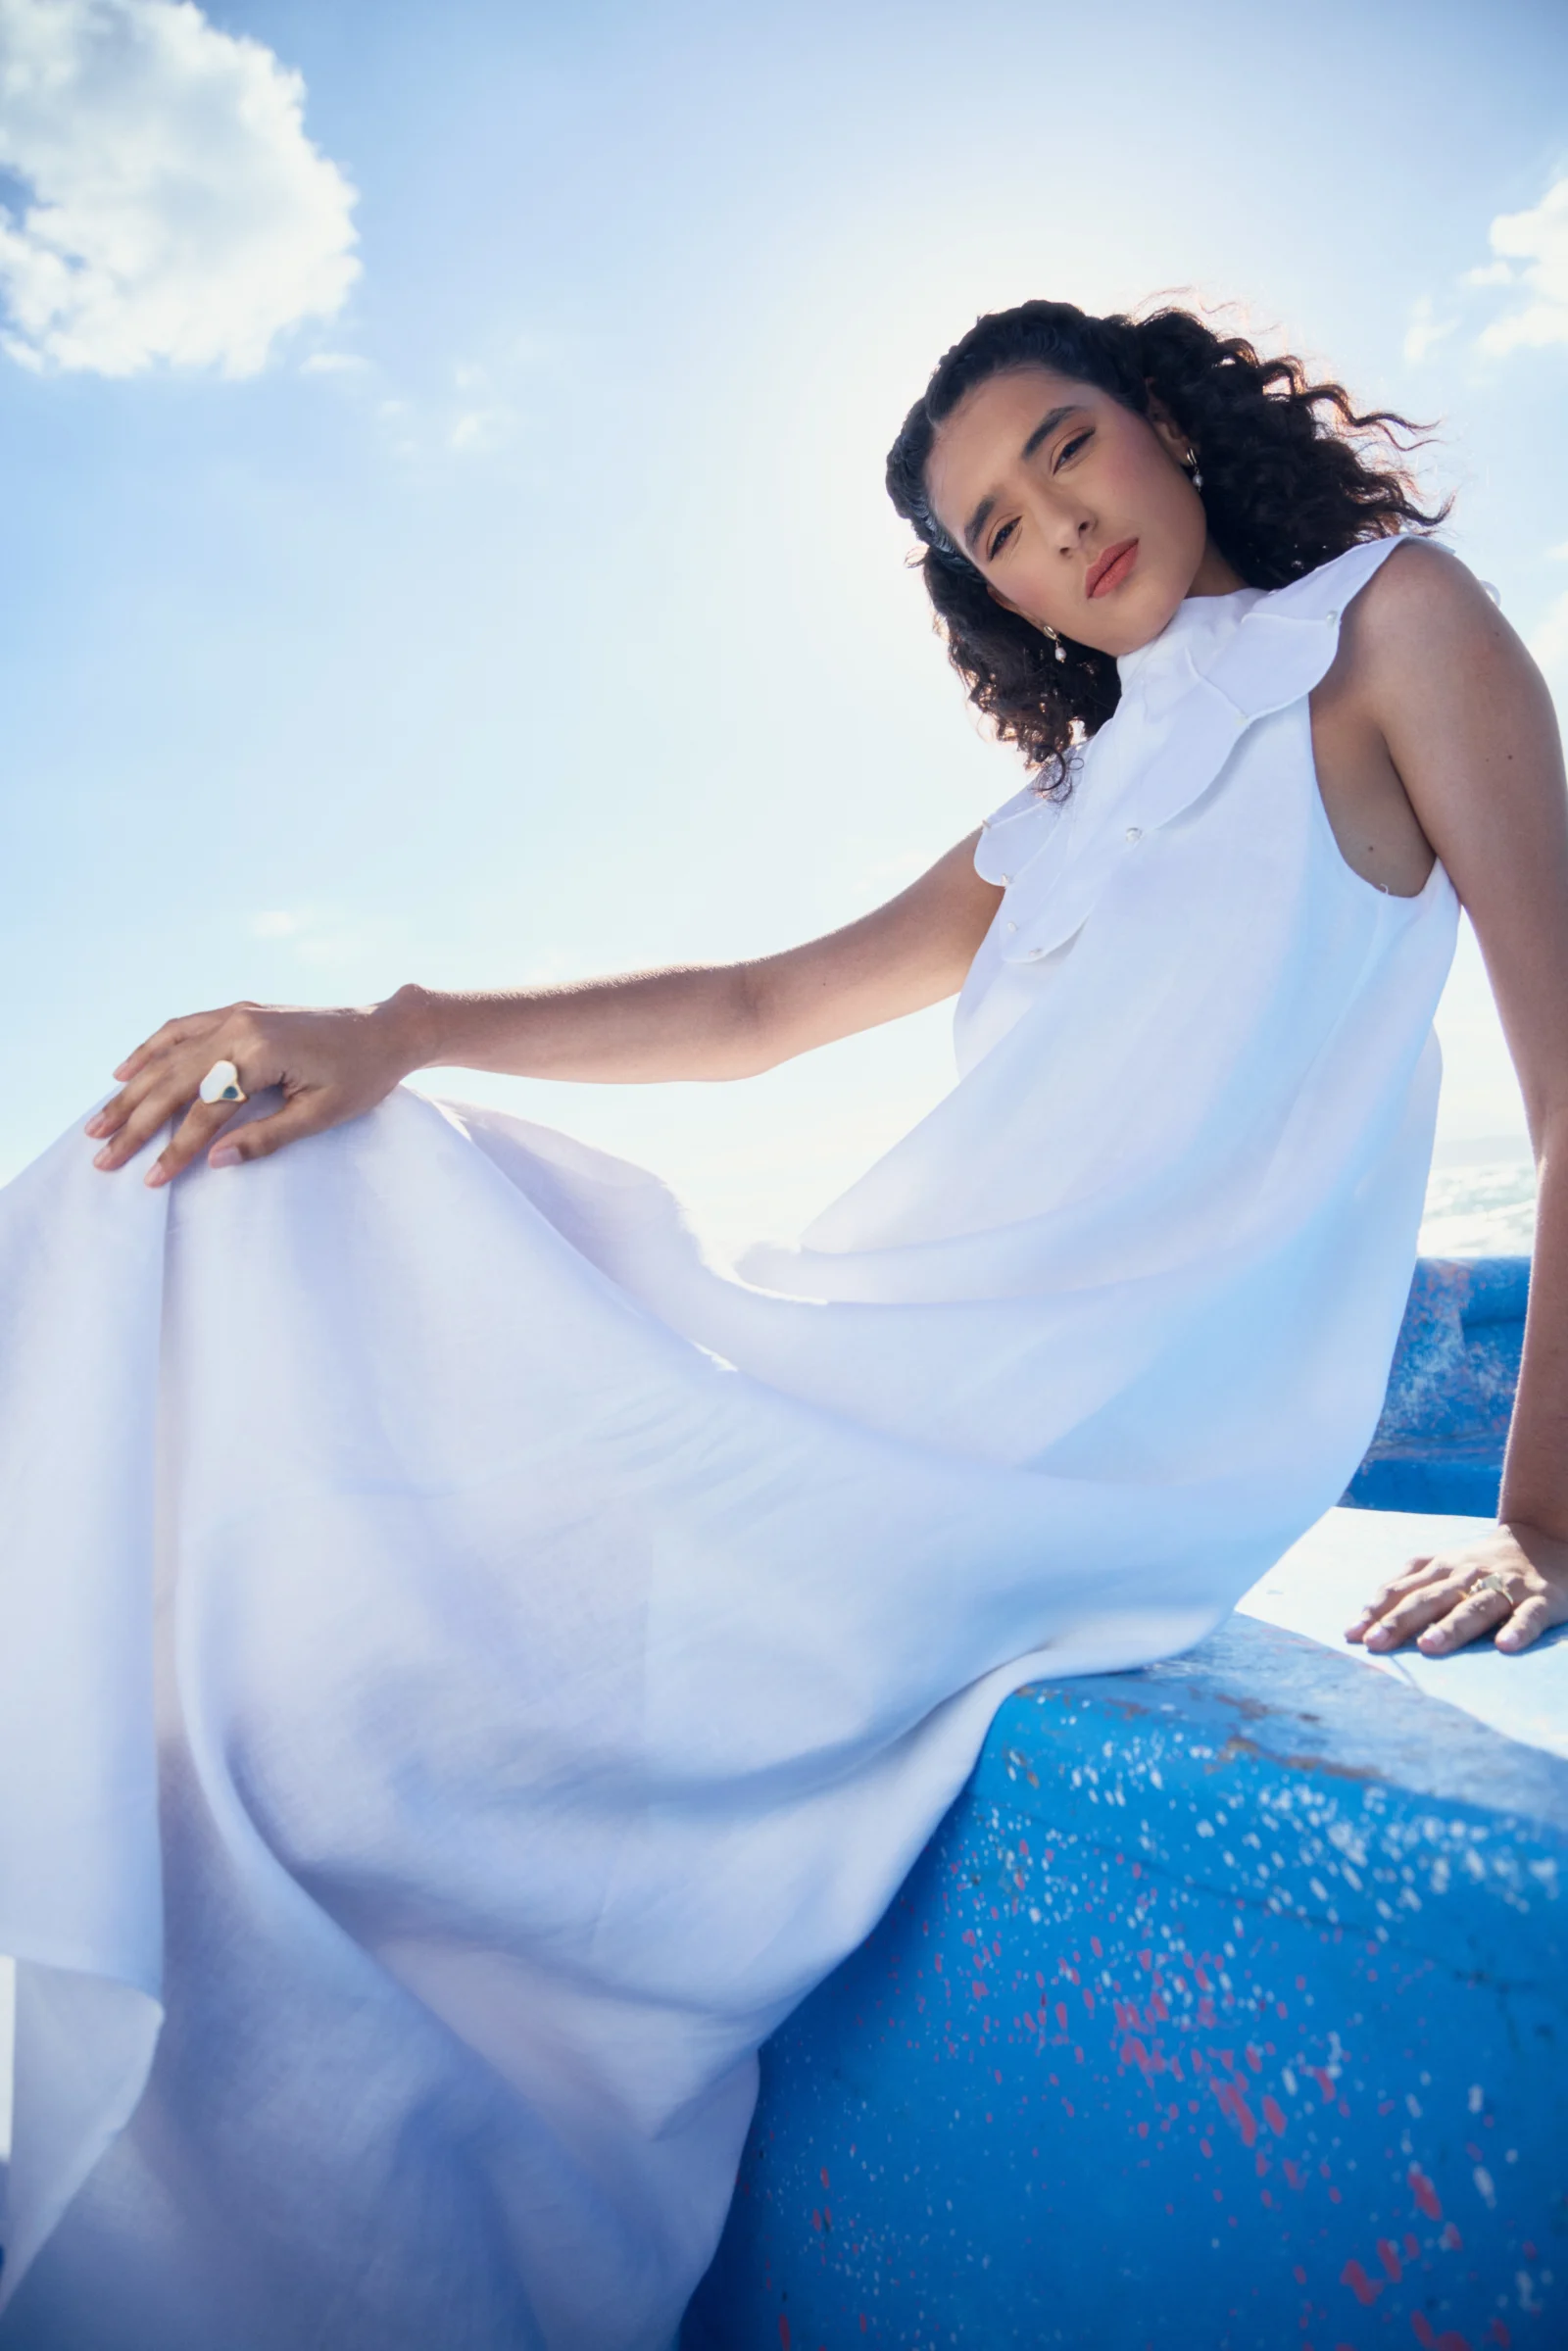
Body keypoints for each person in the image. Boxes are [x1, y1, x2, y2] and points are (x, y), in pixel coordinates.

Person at [0, 297, 1563, 2351]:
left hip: (1048, 1460)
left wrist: (1543, 1517)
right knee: (224, 1210)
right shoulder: (1060, 813)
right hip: (863, 1357)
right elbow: (758, 1008)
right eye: (992, 528)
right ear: (993, 595)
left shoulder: (1389, 629)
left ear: (1167, 421)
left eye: (1064, 448)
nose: (1051, 525)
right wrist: (399, 1027)